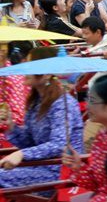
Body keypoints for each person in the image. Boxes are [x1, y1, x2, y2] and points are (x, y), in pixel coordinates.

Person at [0, 47, 83, 190]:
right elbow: (30, 143)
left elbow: (59, 144)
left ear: (47, 74)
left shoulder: (63, 103)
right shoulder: (36, 102)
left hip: (60, 172)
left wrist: (21, 154)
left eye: (31, 64)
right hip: (39, 167)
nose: (25, 67)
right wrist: (11, 125)